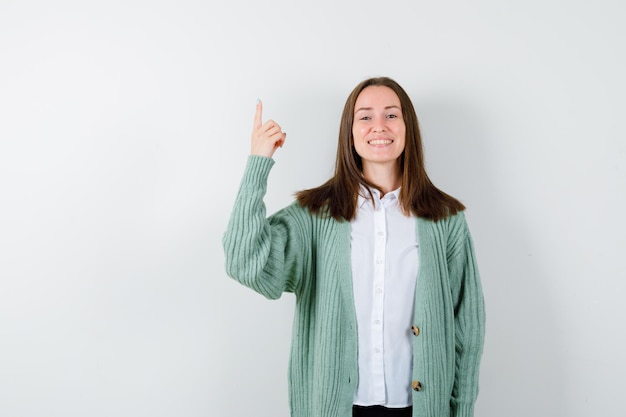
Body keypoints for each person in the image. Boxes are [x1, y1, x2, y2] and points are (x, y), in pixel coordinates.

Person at [223, 77, 485, 417]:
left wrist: (461, 412)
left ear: (408, 128)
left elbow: (467, 325)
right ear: (350, 132)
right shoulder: (314, 215)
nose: (379, 126)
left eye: (392, 115)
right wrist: (258, 163)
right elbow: (244, 262)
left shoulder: (445, 219)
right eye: (365, 116)